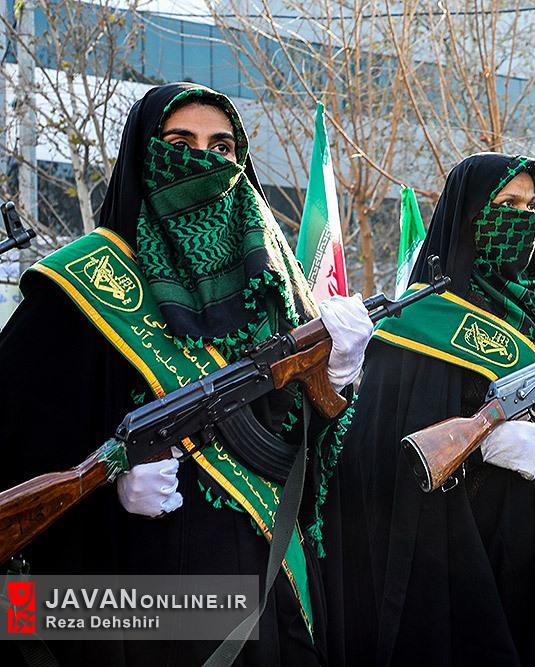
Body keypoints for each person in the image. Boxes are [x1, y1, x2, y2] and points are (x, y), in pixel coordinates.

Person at [0, 83, 372, 665]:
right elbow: (18, 446)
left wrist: (340, 378)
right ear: (145, 156)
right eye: (180, 144)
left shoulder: (271, 281)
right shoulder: (80, 286)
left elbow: (305, 453)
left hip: (268, 581)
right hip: (144, 601)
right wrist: (109, 489)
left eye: (222, 148)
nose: (204, 160)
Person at [323, 153, 535, 666]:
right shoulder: (421, 322)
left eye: (531, 206)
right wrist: (480, 451)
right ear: (470, 214)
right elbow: (379, 462)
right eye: (507, 204)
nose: (524, 218)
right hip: (485, 571)